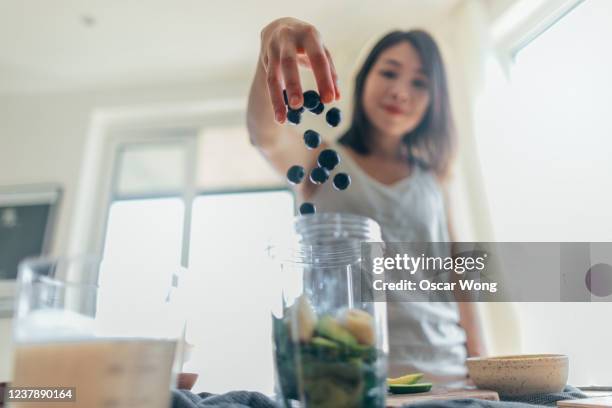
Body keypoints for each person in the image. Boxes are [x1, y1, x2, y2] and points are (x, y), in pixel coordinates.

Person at [247, 17, 487, 382]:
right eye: (389, 73)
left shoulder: (435, 178)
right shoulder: (320, 161)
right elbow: (266, 136)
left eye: (419, 83)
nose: (400, 91)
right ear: (364, 79)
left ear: (432, 101)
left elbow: (459, 270)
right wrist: (271, 48)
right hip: (346, 378)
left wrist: (484, 366)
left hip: (447, 375)